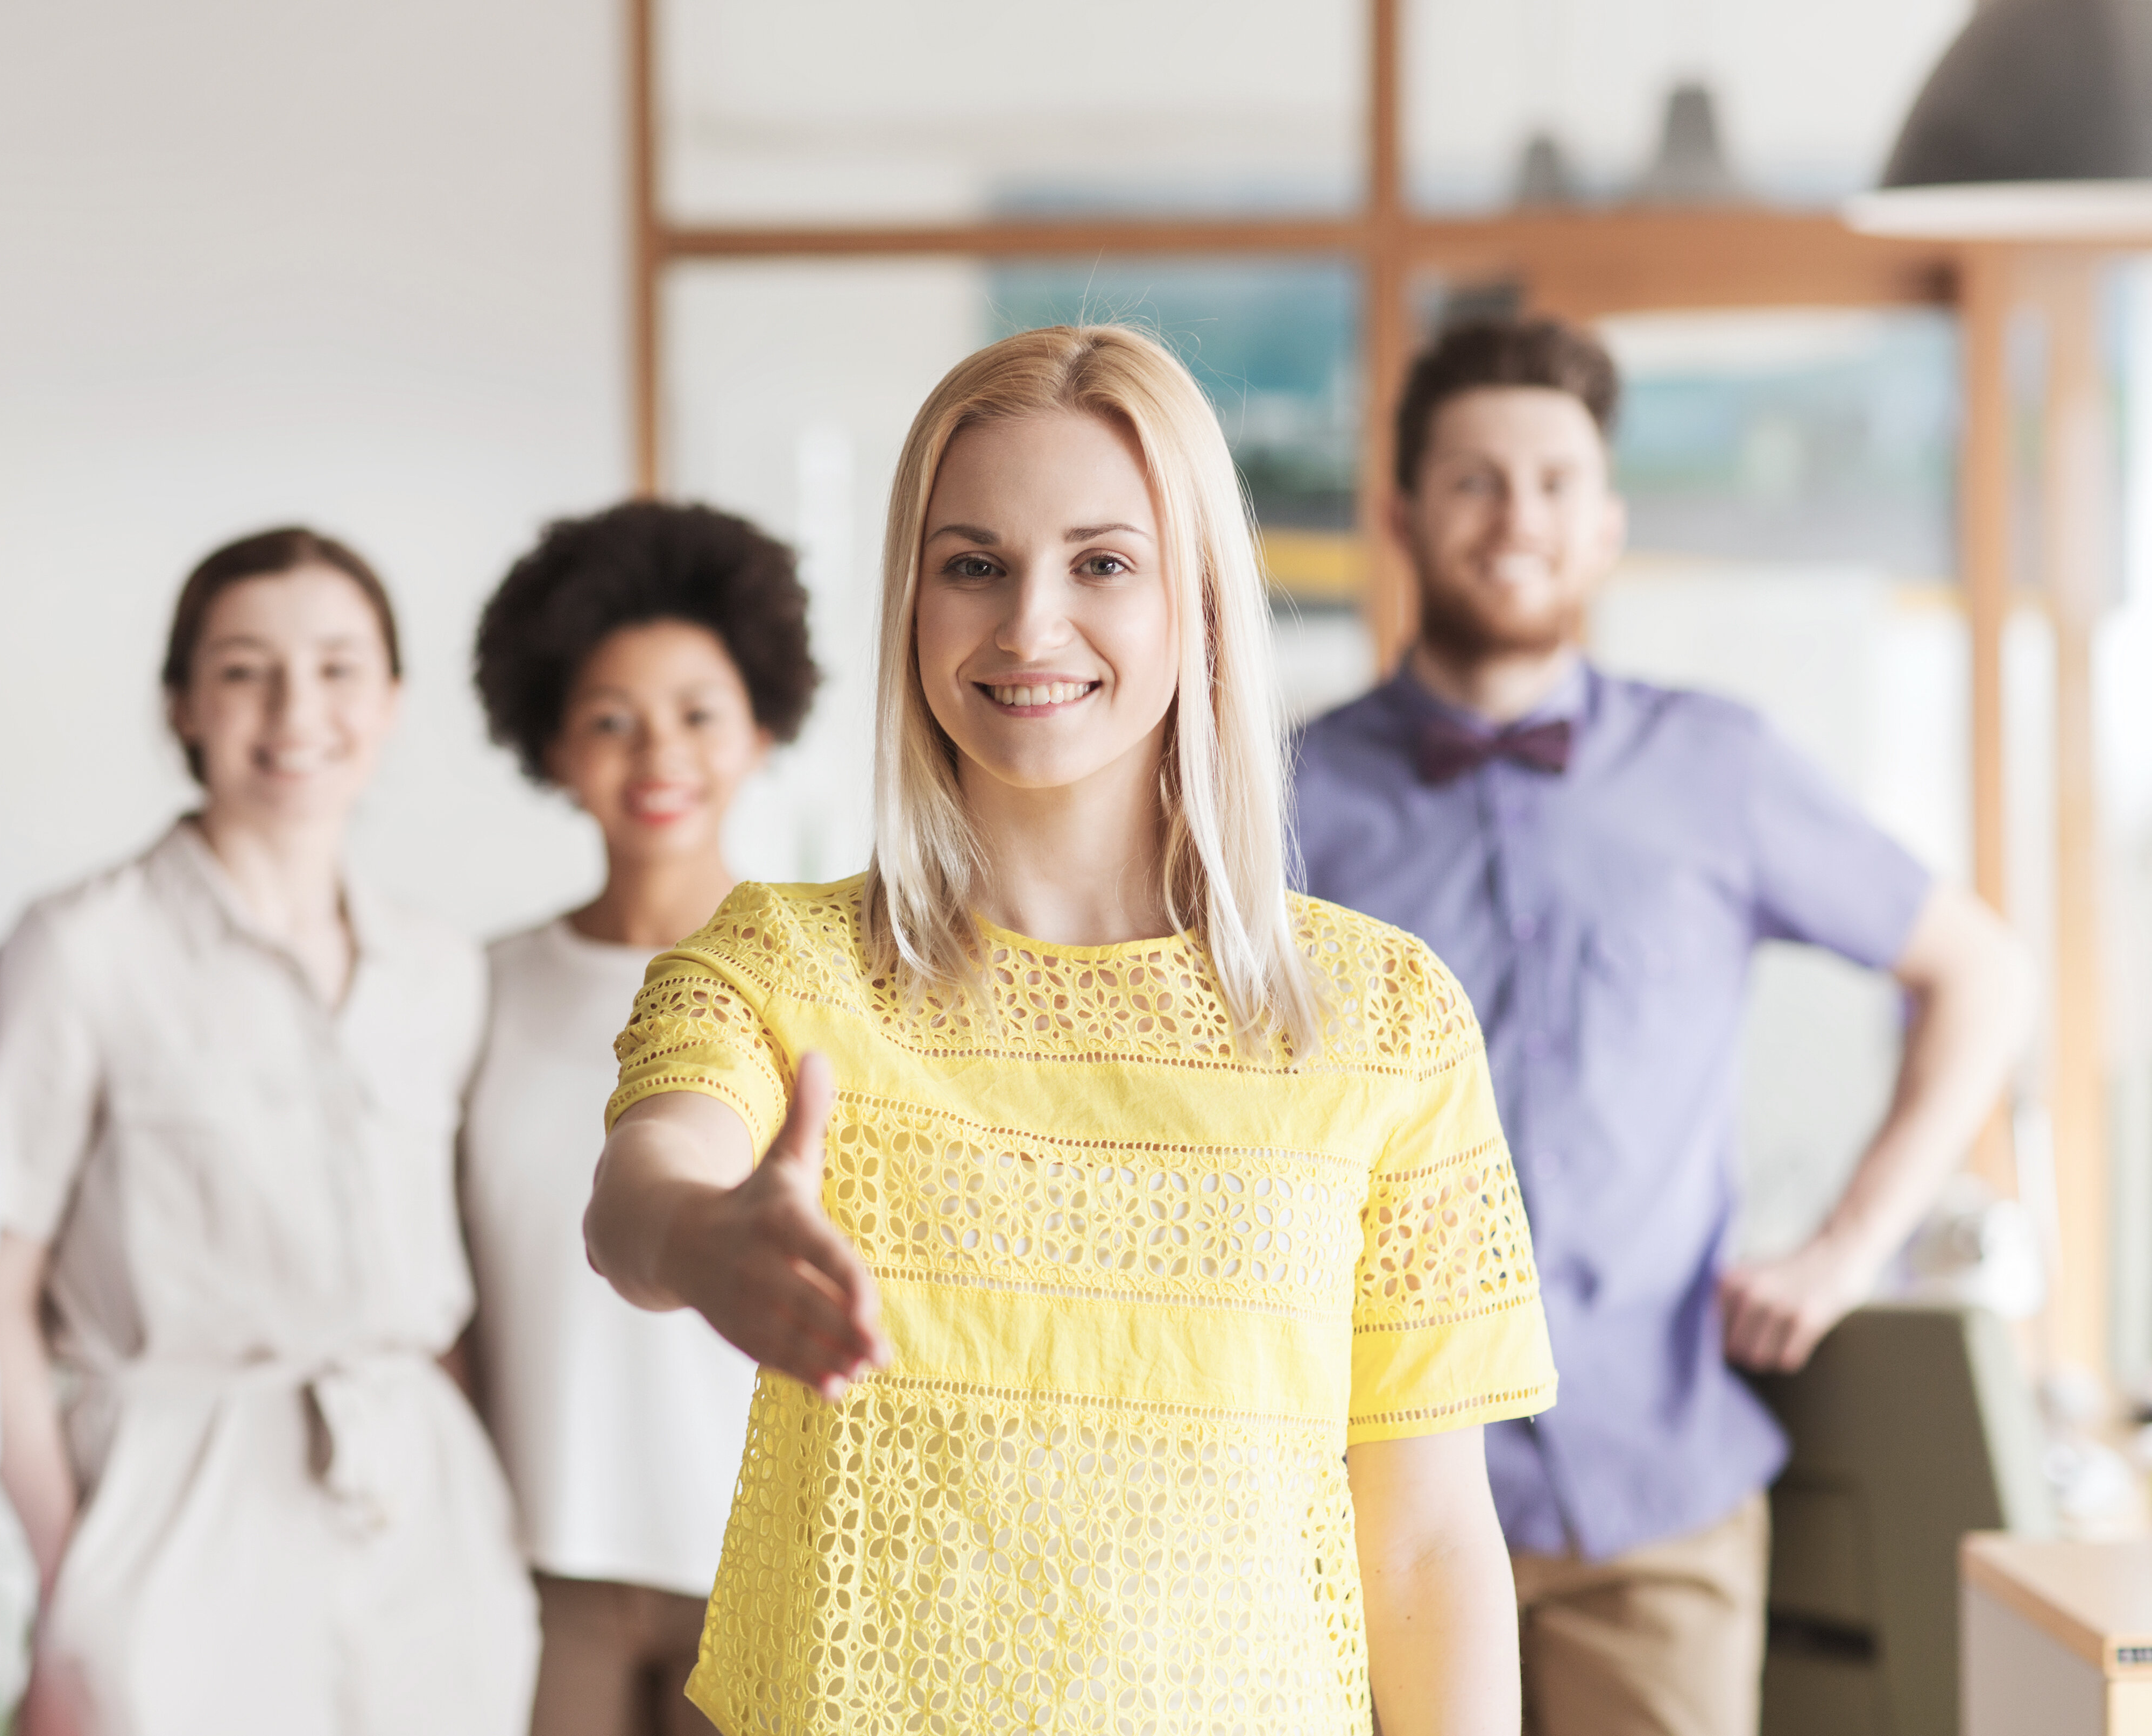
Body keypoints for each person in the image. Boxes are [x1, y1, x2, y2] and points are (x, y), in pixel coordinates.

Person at [584, 324, 1560, 1736]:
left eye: (1101, 562)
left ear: (1198, 605)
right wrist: (698, 1239)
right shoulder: (778, 964)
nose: (1028, 624)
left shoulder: (1383, 1018)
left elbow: (1420, 1541)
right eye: (970, 564)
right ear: (910, 603)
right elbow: (640, 1182)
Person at [1290, 315, 2035, 1736]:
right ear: (1397, 512)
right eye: (1473, 480)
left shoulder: (1717, 766)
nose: (1518, 519)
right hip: (1358, 1493)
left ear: (1607, 521)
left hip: (1656, 1495)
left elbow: (1977, 975)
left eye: (1556, 482)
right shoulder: (1280, 795)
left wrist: (1840, 1249)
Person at [0, 526, 535, 1736]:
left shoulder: (438, 967)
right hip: (174, 1495)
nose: (297, 708)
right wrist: (69, 1562)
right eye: (244, 669)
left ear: (389, 700)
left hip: (418, 1501)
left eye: (339, 667)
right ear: (181, 702)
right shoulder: (82, 947)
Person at [463, 500, 819, 1736]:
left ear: (762, 726)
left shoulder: (814, 984)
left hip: (763, 1555)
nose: (656, 753)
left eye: (696, 712)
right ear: (552, 746)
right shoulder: (483, 987)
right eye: (609, 719)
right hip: (538, 1561)